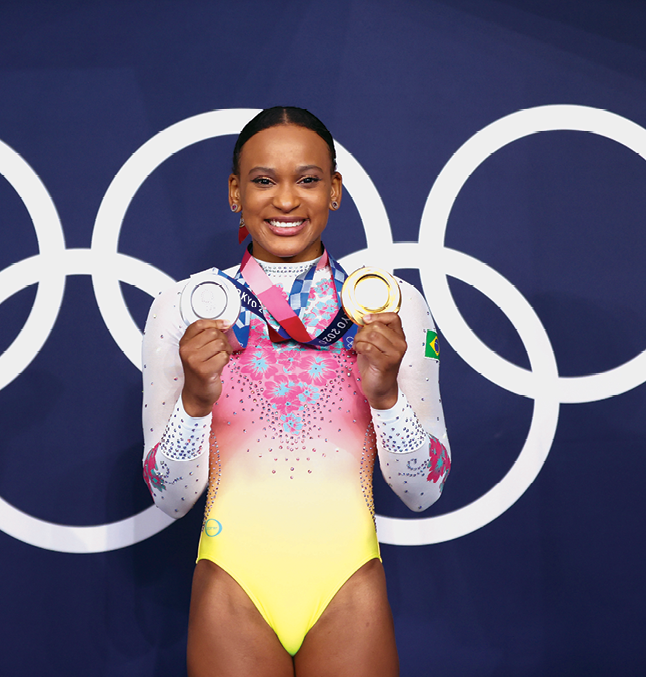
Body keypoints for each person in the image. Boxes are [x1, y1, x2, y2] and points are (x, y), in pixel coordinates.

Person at [142, 106, 450, 677]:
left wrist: (386, 398)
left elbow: (425, 490)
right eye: (263, 181)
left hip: (347, 583)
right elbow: (170, 497)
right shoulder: (184, 310)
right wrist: (193, 404)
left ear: (335, 191)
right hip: (232, 583)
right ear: (235, 192)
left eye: (308, 180)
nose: (286, 201)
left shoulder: (391, 306)